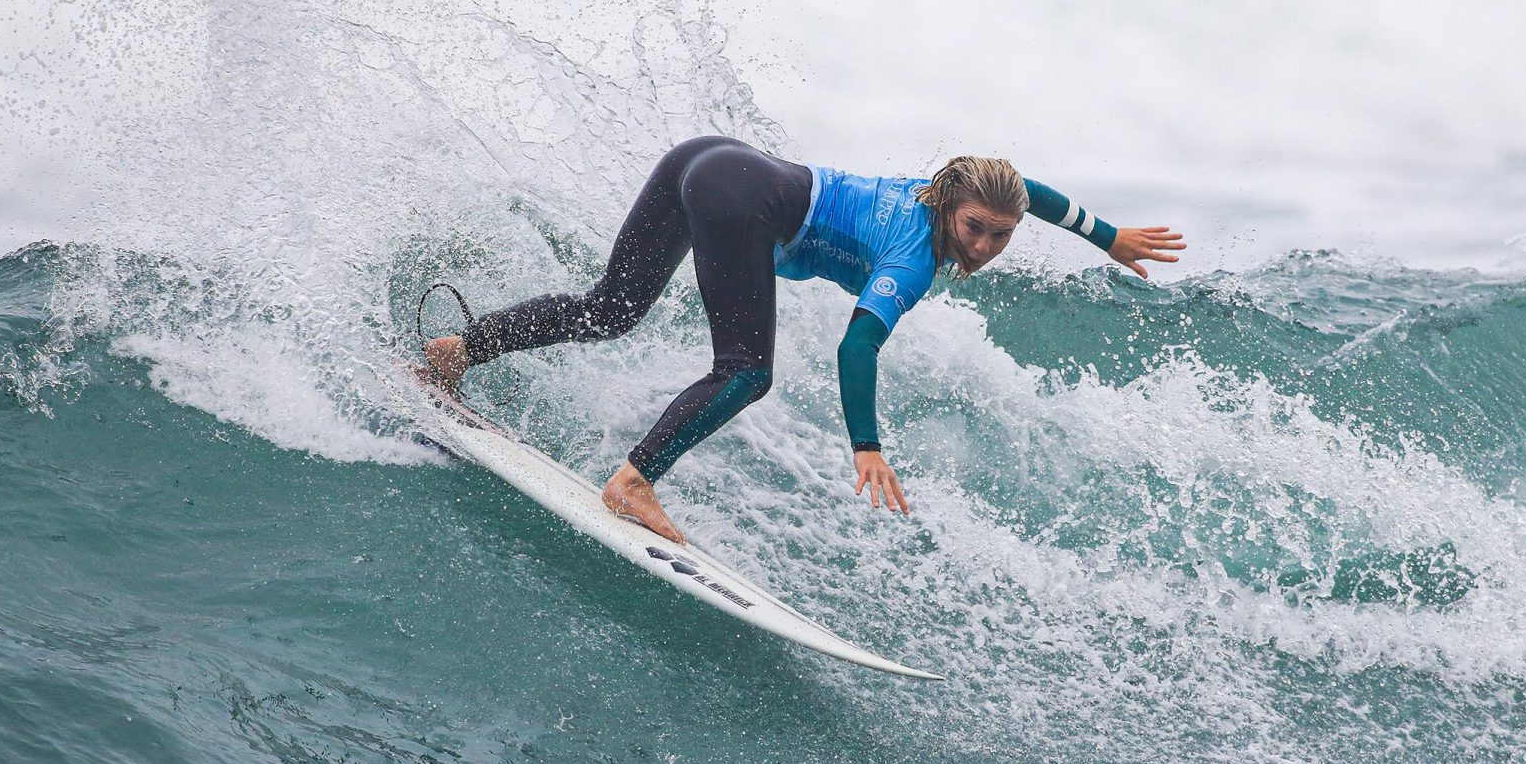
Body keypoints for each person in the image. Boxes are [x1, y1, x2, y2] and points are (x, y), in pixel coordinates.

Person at [423, 135, 1183, 543]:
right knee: (747, 372)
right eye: (974, 229)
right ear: (949, 207)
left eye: (1000, 236)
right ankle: (632, 482)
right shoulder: (912, 258)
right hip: (741, 197)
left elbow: (1030, 192)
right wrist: (867, 444)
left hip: (706, 158)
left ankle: (460, 349)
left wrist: (1107, 235)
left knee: (615, 306)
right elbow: (857, 348)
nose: (983, 247)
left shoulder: (947, 196)